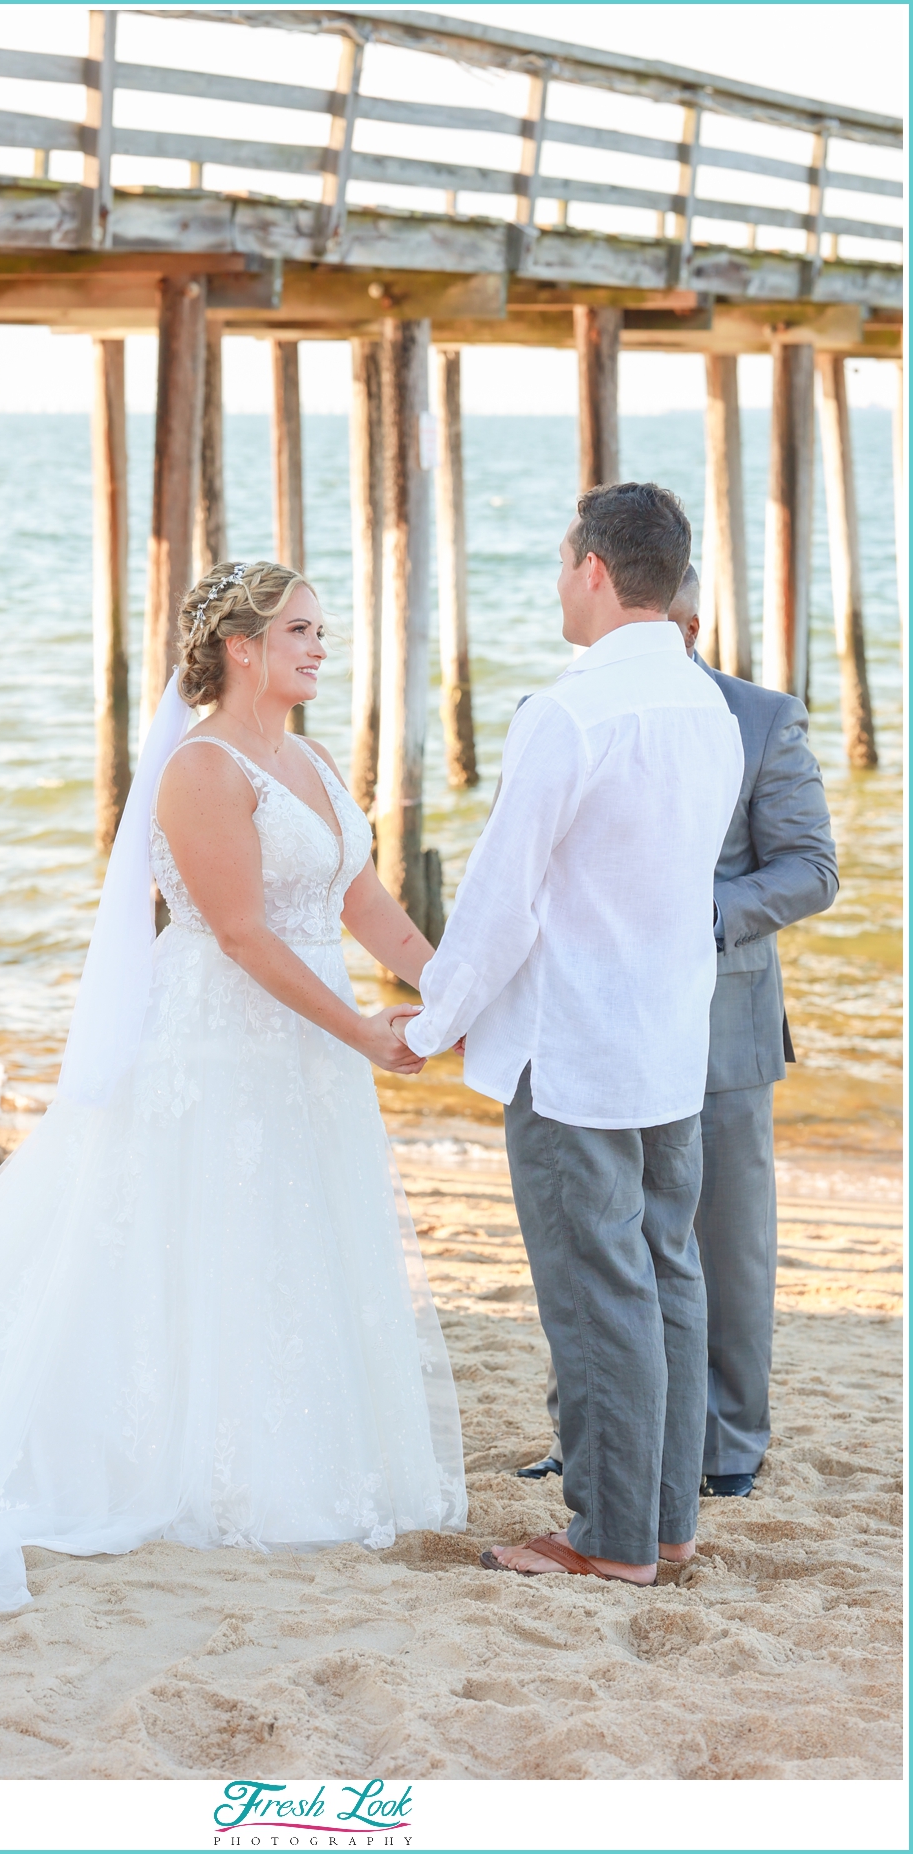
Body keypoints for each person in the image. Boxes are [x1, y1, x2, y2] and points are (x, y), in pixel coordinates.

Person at [0, 560, 466, 1630]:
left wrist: (450, 996)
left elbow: (365, 905)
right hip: (223, 1047)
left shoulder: (303, 759)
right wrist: (359, 1028)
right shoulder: (203, 769)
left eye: (321, 629)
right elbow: (246, 934)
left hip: (304, 1050)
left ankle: (291, 1455)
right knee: (203, 1245)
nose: (319, 645)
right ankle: (190, 1461)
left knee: (298, 1242)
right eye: (299, 629)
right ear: (241, 648)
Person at [399, 483, 744, 1585]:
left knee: (599, 1294)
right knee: (664, 1277)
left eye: (561, 564)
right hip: (668, 1043)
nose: (557, 584)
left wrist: (432, 1023)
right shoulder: (712, 710)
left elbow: (504, 902)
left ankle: (606, 1540)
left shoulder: (571, 714)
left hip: (577, 1050)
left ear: (595, 569)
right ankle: (665, 1525)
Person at [519, 564, 838, 1498]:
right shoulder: (581, 709)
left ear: (687, 620)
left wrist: (683, 910)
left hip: (723, 1027)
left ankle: (728, 1450)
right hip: (600, 1021)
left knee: (724, 1249)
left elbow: (811, 869)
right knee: (598, 1242)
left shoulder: (762, 717)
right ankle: (593, 1443)